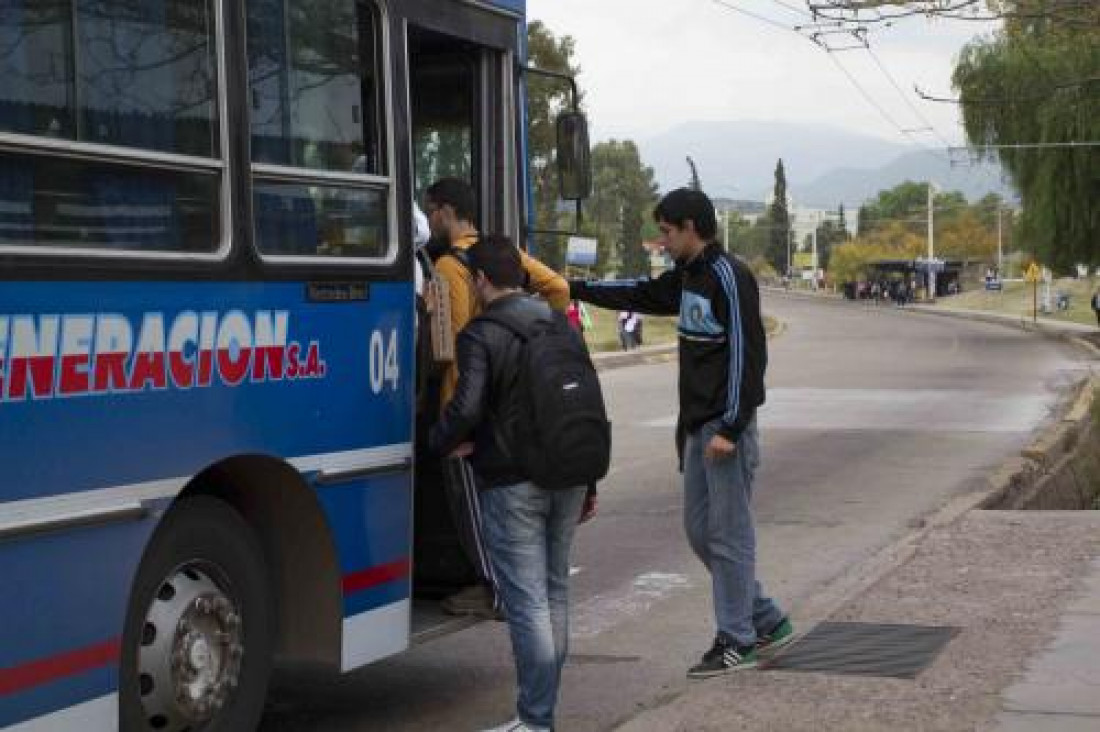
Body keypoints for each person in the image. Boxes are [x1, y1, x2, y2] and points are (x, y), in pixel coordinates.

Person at [570, 188, 793, 677]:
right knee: (699, 532)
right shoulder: (687, 277)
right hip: (695, 429)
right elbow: (638, 293)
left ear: (691, 227)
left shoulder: (729, 278)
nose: (663, 242)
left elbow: (747, 358)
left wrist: (732, 427)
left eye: (667, 233)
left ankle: (736, 639)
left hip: (723, 429)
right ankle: (766, 617)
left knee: (730, 535)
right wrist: (574, 289)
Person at [429, 235, 595, 732]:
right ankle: (542, 711)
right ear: (520, 277)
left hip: (513, 482)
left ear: (479, 280)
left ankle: (535, 719)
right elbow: (583, 403)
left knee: (527, 602)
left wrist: (437, 441)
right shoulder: (560, 325)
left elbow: (467, 406)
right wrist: (588, 483)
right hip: (568, 474)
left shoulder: (482, 333)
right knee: (555, 592)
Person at [424, 178, 571, 619]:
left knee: (472, 504)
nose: (429, 220)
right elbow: (560, 289)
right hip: (509, 400)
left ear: (446, 212)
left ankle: (496, 589)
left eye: (430, 211)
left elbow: (449, 345)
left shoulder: (448, 268)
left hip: (464, 400)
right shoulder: (504, 255)